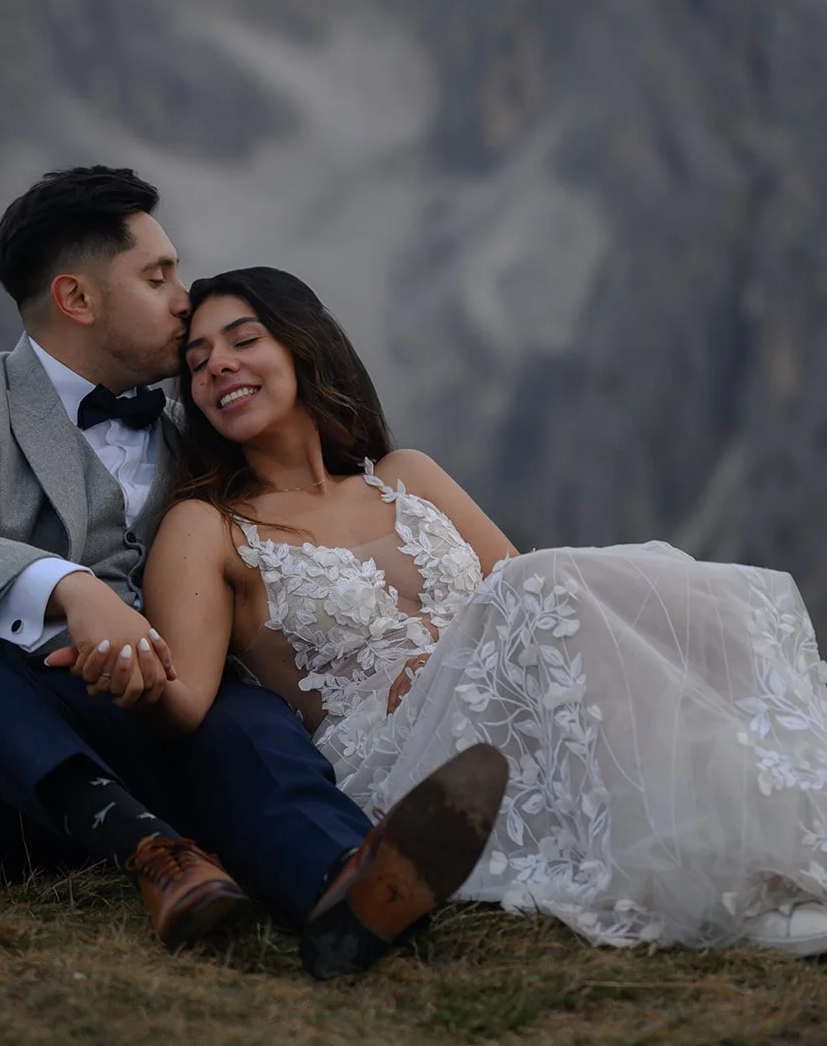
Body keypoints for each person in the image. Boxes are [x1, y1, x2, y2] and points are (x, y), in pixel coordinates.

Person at [0, 168, 507, 980]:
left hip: (154, 718)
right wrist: (73, 591)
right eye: (158, 277)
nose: (183, 299)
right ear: (78, 300)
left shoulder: (204, 416)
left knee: (243, 713)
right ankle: (150, 850)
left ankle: (346, 890)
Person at [120, 264, 827, 956]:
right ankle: (721, 890)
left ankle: (767, 851)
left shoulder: (407, 475)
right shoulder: (207, 525)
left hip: (511, 707)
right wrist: (123, 662)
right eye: (197, 359)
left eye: (243, 341)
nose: (216, 366)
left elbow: (535, 603)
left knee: (584, 595)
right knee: (547, 582)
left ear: (301, 347)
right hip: (401, 761)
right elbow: (185, 703)